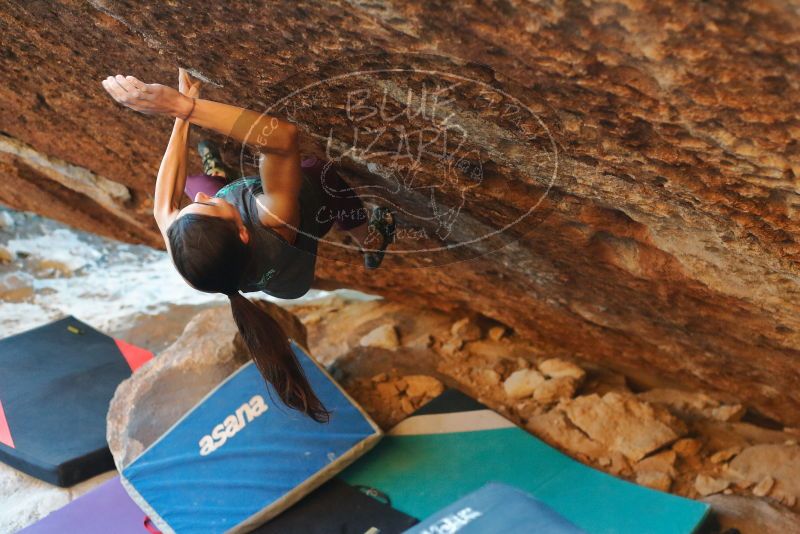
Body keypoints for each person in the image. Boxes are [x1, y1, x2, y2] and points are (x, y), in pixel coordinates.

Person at [101, 69, 396, 422]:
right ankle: (371, 240)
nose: (198, 200)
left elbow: (163, 205)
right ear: (241, 231)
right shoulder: (273, 216)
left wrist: (178, 120)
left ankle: (219, 175)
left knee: (197, 181)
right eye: (206, 206)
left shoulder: (193, 264)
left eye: (194, 207)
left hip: (260, 270)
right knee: (317, 170)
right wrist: (185, 105)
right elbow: (282, 138)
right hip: (301, 230)